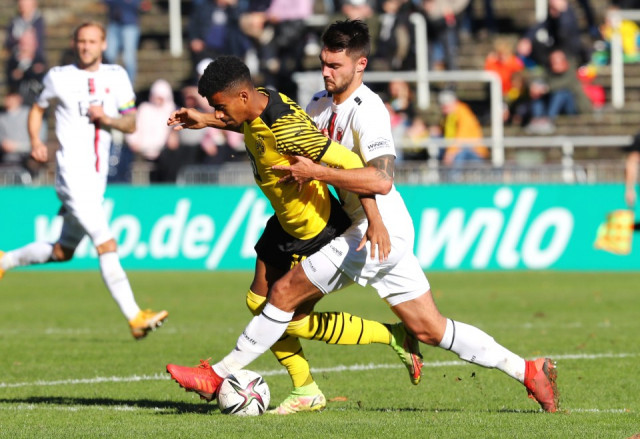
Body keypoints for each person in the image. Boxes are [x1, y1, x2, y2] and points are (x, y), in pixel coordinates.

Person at [166, 20, 559, 414]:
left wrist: (333, 187)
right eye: (324, 63)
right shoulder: (319, 103)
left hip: (376, 230)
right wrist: (209, 119)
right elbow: (274, 130)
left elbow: (380, 179)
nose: (326, 72)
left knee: (282, 294)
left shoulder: (369, 111)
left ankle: (220, 374)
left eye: (335, 65)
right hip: (365, 226)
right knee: (430, 329)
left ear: (360, 64)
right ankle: (528, 370)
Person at [165, 55, 424, 414]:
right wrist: (205, 119)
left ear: (243, 96)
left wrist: (374, 219)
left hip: (314, 228)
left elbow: (351, 163)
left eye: (220, 107)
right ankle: (308, 388)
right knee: (258, 304)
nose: (218, 113)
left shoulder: (288, 127)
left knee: (288, 318)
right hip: (285, 222)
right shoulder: (258, 103)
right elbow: (247, 124)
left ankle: (380, 342)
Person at [0, 22, 168, 340]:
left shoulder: (117, 76)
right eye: (81, 41)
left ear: (103, 44)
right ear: (74, 43)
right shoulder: (58, 77)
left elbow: (131, 123)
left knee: (64, 250)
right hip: (70, 174)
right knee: (105, 241)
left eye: (92, 41)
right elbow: (37, 109)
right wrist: (35, 140)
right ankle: (134, 316)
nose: (86, 46)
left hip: (96, 179)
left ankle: (5, 259)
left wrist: (106, 118)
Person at [103, 0, 148, 84]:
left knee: (128, 57)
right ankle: (109, 83)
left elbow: (145, 6)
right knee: (109, 55)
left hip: (130, 25)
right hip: (114, 24)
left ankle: (129, 85)